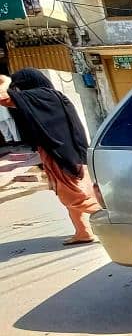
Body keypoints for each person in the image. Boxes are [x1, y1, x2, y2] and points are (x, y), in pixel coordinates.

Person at [0, 68, 101, 245]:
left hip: (59, 155)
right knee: (72, 194)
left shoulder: (38, 96)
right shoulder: (53, 95)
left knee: (73, 196)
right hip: (73, 153)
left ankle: (114, 220)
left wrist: (6, 82)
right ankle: (82, 232)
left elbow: (4, 98)